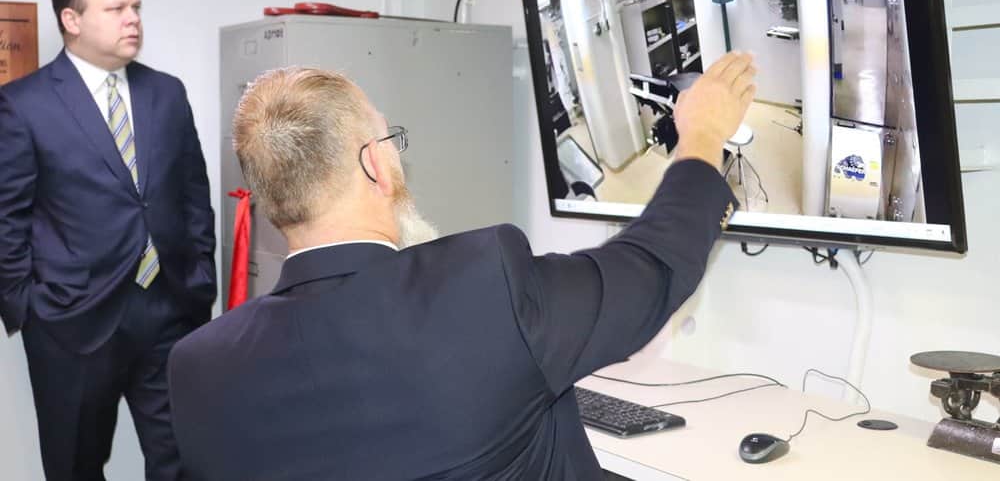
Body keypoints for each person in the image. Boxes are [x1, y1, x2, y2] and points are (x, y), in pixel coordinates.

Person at [167, 52, 755, 480]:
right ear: (375, 164)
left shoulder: (198, 367)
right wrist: (702, 135)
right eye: (390, 141)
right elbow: (650, 265)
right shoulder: (484, 289)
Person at [0, 0, 217, 480]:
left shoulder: (166, 93)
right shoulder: (23, 105)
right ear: (71, 20)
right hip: (72, 321)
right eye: (116, 9)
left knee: (184, 461)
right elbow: (7, 218)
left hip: (170, 308)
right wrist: (28, 307)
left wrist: (200, 279)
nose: (132, 19)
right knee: (75, 466)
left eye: (135, 7)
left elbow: (193, 194)